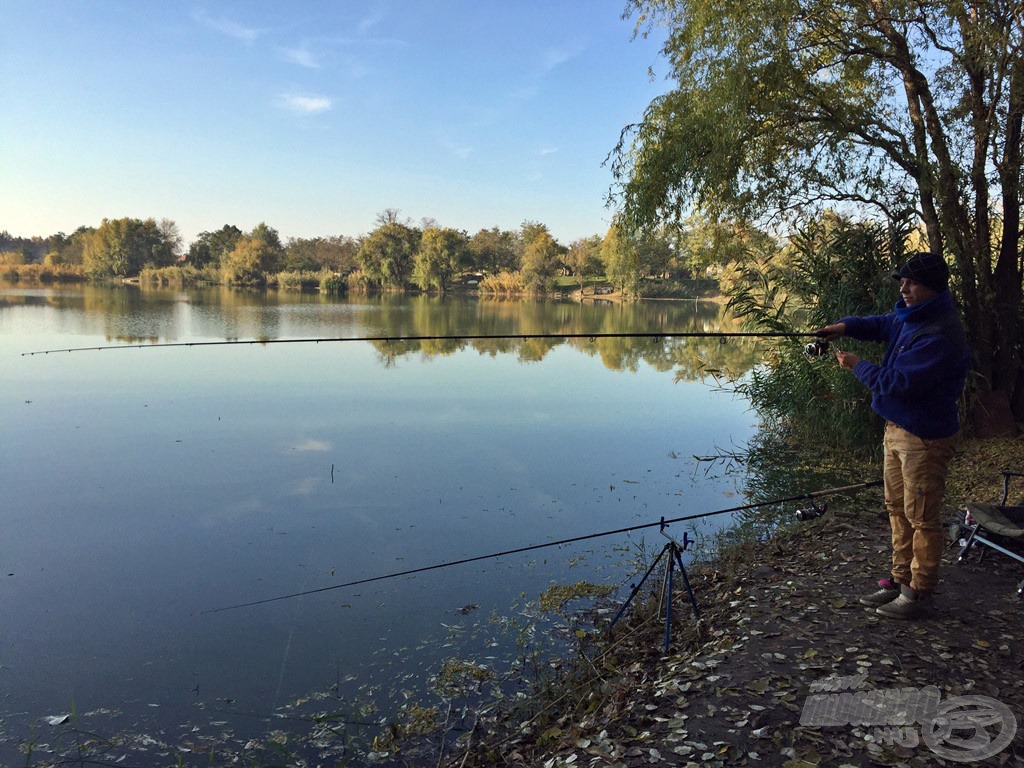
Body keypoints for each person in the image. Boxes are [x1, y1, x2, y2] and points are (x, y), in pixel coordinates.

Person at [816, 252, 970, 619]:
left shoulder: (941, 333)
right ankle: (900, 581)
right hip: (897, 429)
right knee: (897, 511)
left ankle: (919, 594)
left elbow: (898, 384)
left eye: (911, 282)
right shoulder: (912, 315)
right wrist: (844, 326)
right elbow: (884, 324)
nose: (903, 288)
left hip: (925, 437)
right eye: (902, 281)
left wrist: (857, 365)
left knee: (922, 518)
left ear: (932, 287)